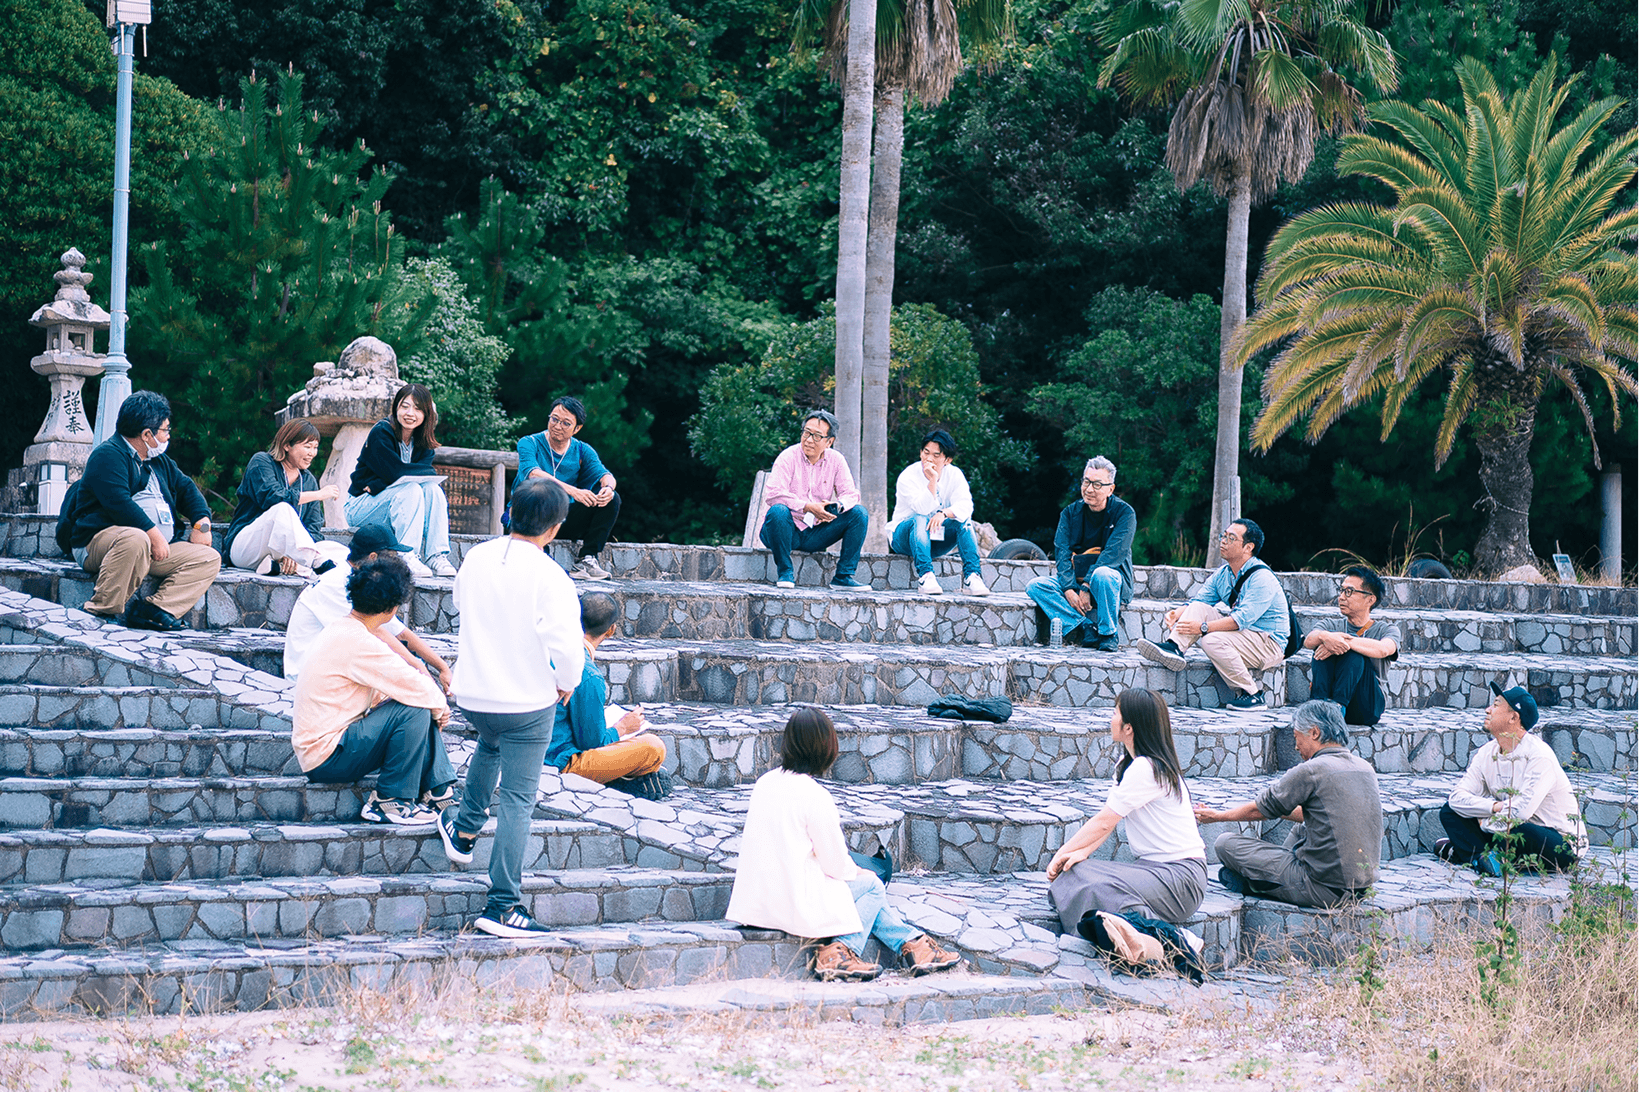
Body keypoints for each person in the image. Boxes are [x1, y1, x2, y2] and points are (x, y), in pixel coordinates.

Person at [437, 478, 587, 938]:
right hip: (525, 701)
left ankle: (465, 829)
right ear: (555, 528)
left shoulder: (477, 557)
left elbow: (460, 602)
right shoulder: (552, 576)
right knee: (519, 799)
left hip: (474, 694)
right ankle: (502, 904)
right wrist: (567, 683)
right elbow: (567, 648)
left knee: (490, 744)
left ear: (511, 513)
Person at [727, 707, 961, 980]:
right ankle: (840, 953)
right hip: (791, 903)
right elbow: (836, 865)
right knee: (872, 886)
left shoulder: (765, 783)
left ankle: (914, 945)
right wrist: (862, 872)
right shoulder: (814, 795)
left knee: (866, 893)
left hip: (756, 905)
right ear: (826, 748)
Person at [291, 554, 455, 825]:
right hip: (327, 758)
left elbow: (399, 689)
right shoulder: (358, 641)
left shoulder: (345, 630)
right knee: (416, 708)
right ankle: (389, 801)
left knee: (415, 703)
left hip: (328, 750)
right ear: (392, 609)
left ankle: (438, 790)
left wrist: (433, 704)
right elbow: (415, 685)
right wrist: (441, 708)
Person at [1046, 689, 1207, 931]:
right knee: (1076, 871)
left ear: (1128, 728)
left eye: (1115, 713)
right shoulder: (1128, 765)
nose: (1111, 719)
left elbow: (1103, 822)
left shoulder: (1147, 768)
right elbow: (1109, 819)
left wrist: (1061, 853)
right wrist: (1081, 852)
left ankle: (1164, 935)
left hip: (1181, 879)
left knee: (1091, 887)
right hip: (1152, 869)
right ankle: (1128, 923)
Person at [59, 390, 221, 632]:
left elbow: (187, 489)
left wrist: (202, 524)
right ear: (147, 435)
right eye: (165, 430)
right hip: (99, 544)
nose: (168, 435)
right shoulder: (108, 455)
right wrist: (154, 535)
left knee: (208, 557)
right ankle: (102, 610)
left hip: (152, 550)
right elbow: (119, 504)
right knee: (136, 538)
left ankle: (155, 611)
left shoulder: (159, 461)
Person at [1194, 700, 1382, 907]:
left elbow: (1259, 810)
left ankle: (1261, 882)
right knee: (1301, 828)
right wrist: (1281, 805)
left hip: (1322, 889)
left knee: (1225, 844)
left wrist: (1217, 816)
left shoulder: (1312, 770)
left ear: (1314, 733)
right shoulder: (1365, 768)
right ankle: (1269, 877)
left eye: (1296, 737)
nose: (1295, 746)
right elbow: (1313, 814)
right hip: (1362, 889)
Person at [1136, 517, 1290, 713]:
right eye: (1223, 536)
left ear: (1248, 547)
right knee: (1199, 608)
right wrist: (1177, 613)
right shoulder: (1224, 573)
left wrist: (1203, 628)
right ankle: (1174, 647)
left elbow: (1240, 620)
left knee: (1211, 640)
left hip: (1268, 643)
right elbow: (1200, 600)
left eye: (1231, 538)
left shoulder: (1262, 578)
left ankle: (1252, 695)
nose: (1223, 541)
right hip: (1245, 636)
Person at [1436, 683, 1588, 876]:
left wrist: (1483, 823)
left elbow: (1520, 812)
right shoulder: (1487, 753)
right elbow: (1457, 798)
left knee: (1522, 831)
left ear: (1513, 717)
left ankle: (1469, 853)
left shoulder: (1539, 756)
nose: (1488, 710)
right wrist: (1493, 807)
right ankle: (1484, 860)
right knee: (1449, 812)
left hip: (1558, 843)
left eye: (1496, 705)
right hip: (1506, 828)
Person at [283, 522, 452, 691]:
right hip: (308, 679)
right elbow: (377, 632)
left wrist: (442, 667)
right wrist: (419, 669)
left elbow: (398, 630)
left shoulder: (359, 580)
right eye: (392, 557)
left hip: (332, 669)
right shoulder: (337, 583)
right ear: (373, 557)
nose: (395, 563)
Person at [544, 591, 671, 797]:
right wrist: (622, 727)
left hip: (528, 746)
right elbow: (591, 744)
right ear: (611, 630)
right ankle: (612, 780)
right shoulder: (588, 674)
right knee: (654, 748)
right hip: (559, 763)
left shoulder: (547, 648)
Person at [345, 383, 456, 577]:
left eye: (418, 409)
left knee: (432, 489)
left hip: (393, 503)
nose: (410, 413)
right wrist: (395, 476)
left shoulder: (424, 441)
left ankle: (436, 556)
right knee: (411, 488)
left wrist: (380, 483)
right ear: (396, 407)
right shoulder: (382, 432)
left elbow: (420, 473)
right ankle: (407, 555)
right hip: (362, 507)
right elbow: (396, 471)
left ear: (426, 414)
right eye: (405, 406)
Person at [1026, 457, 1136, 651]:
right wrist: (1069, 589)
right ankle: (1084, 626)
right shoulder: (1070, 513)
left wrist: (1086, 586)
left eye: (1097, 484)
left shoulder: (1125, 513)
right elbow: (1062, 554)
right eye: (1086, 482)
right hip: (1077, 582)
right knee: (1036, 586)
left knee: (1103, 574)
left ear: (1110, 489)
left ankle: (1108, 634)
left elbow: (1112, 556)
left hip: (1110, 584)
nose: (1089, 489)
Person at [221, 418, 349, 577]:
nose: (312, 453)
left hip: (282, 553)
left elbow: (313, 528)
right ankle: (313, 561)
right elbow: (273, 497)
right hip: (244, 549)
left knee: (339, 551)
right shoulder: (262, 462)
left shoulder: (308, 480)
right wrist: (318, 495)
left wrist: (292, 554)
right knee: (282, 508)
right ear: (287, 445)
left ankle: (278, 565)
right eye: (307, 446)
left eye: (315, 447)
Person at [757, 410, 868, 590]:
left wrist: (837, 506)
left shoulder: (836, 460)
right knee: (778, 510)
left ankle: (843, 577)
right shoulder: (788, 457)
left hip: (815, 532)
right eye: (806, 433)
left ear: (829, 442)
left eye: (817, 436)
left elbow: (851, 494)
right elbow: (774, 494)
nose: (809, 440)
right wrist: (807, 507)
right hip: (784, 530)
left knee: (859, 513)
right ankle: (785, 572)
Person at [516, 396, 620, 581]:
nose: (557, 426)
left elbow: (606, 475)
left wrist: (608, 489)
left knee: (613, 499)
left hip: (562, 519)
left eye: (566, 423)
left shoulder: (582, 450)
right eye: (554, 419)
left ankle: (587, 559)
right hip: (528, 516)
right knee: (539, 493)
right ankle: (540, 559)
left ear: (577, 428)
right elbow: (533, 473)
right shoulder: (529, 442)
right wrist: (573, 491)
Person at [888, 429, 988, 597]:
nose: (928, 458)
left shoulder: (954, 474)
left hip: (935, 541)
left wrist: (944, 513)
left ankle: (972, 576)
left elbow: (966, 506)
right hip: (904, 539)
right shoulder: (908, 476)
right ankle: (926, 576)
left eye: (936, 455)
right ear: (920, 452)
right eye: (926, 452)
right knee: (919, 518)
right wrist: (933, 480)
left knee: (963, 520)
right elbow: (921, 509)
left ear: (947, 460)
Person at [1304, 566, 1400, 726]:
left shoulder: (1386, 629)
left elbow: (1384, 649)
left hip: (1365, 707)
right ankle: (1319, 705)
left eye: (1349, 592)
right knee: (1323, 642)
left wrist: (1344, 641)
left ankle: (1337, 708)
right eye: (1341, 591)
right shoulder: (1331, 625)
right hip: (1329, 699)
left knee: (1352, 651)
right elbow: (1308, 641)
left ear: (1370, 600)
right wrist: (1325, 637)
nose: (1341, 597)